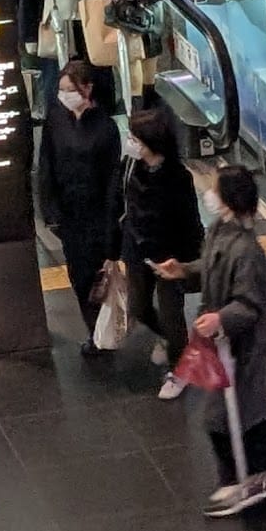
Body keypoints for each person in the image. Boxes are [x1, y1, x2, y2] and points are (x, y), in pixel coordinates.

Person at [184, 164, 266, 513]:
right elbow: (210, 266)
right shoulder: (220, 231)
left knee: (221, 416)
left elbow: (250, 305)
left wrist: (221, 318)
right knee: (250, 406)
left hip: (242, 344)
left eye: (213, 188)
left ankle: (237, 481)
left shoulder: (248, 251)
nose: (208, 193)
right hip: (222, 339)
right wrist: (183, 271)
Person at [34, 58, 123, 357]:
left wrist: (113, 231)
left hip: (97, 215)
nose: (64, 95)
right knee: (79, 276)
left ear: (87, 88)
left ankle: (102, 332)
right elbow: (46, 165)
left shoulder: (106, 128)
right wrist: (49, 210)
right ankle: (94, 331)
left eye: (70, 89)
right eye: (61, 90)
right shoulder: (56, 121)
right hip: (69, 215)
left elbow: (113, 182)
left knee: (98, 277)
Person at [119, 105, 203, 398]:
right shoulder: (131, 166)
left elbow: (191, 223)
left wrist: (184, 262)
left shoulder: (178, 178)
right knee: (138, 307)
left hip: (169, 256)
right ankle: (171, 341)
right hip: (136, 249)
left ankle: (179, 369)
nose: (131, 144)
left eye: (136, 139)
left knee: (171, 313)